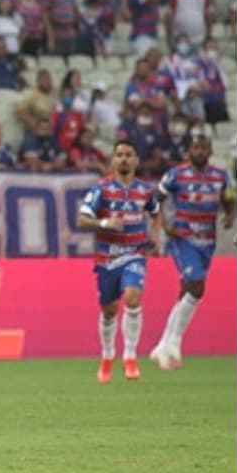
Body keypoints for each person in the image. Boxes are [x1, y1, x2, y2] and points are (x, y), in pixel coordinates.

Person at [76, 140, 165, 384]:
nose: (124, 159)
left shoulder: (145, 191)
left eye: (128, 154)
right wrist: (105, 223)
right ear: (113, 160)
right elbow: (83, 220)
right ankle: (107, 356)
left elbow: (156, 213)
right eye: (119, 155)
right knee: (109, 310)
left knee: (134, 298)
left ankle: (130, 356)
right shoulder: (101, 190)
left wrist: (155, 237)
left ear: (136, 160)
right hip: (107, 257)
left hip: (135, 253)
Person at [151, 135, 236, 370]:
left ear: (209, 152)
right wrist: (166, 226)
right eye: (195, 148)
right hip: (182, 238)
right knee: (197, 284)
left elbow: (230, 200)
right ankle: (175, 342)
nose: (200, 152)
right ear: (188, 151)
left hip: (207, 241)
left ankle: (162, 345)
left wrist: (230, 215)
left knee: (187, 291)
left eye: (204, 148)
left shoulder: (220, 176)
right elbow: (155, 199)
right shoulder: (176, 175)